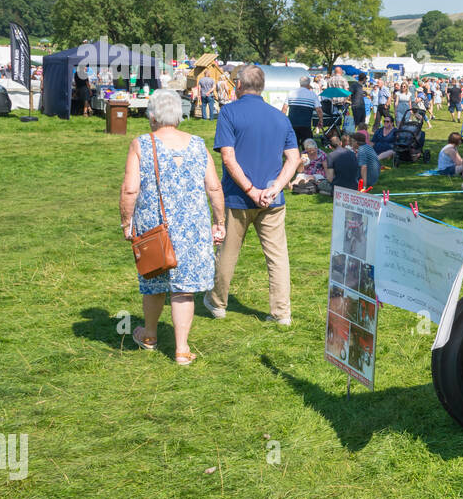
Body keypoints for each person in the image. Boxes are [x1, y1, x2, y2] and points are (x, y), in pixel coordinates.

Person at [119, 89, 225, 365]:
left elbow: (130, 190)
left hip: (154, 227)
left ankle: (150, 335)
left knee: (153, 281)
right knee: (183, 288)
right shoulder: (198, 144)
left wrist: (126, 221)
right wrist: (220, 222)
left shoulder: (141, 144)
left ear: (152, 116)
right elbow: (213, 187)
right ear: (179, 115)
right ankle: (181, 349)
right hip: (192, 227)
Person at [205, 65, 300, 327]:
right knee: (277, 257)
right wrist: (276, 188)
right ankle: (282, 313)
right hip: (272, 201)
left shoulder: (229, 112)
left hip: (238, 197)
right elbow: (294, 158)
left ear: (238, 85)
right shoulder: (280, 117)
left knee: (227, 253)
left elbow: (227, 156)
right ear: (263, 87)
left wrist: (251, 190)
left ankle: (217, 302)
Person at [285, 76, 323, 148]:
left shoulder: (291, 93)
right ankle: (305, 158)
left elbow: (284, 108)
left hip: (292, 124)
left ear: (300, 83)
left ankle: (294, 158)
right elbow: (319, 110)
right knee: (307, 145)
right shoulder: (312, 94)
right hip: (306, 125)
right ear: (309, 84)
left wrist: (283, 121)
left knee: (293, 146)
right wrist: (320, 121)